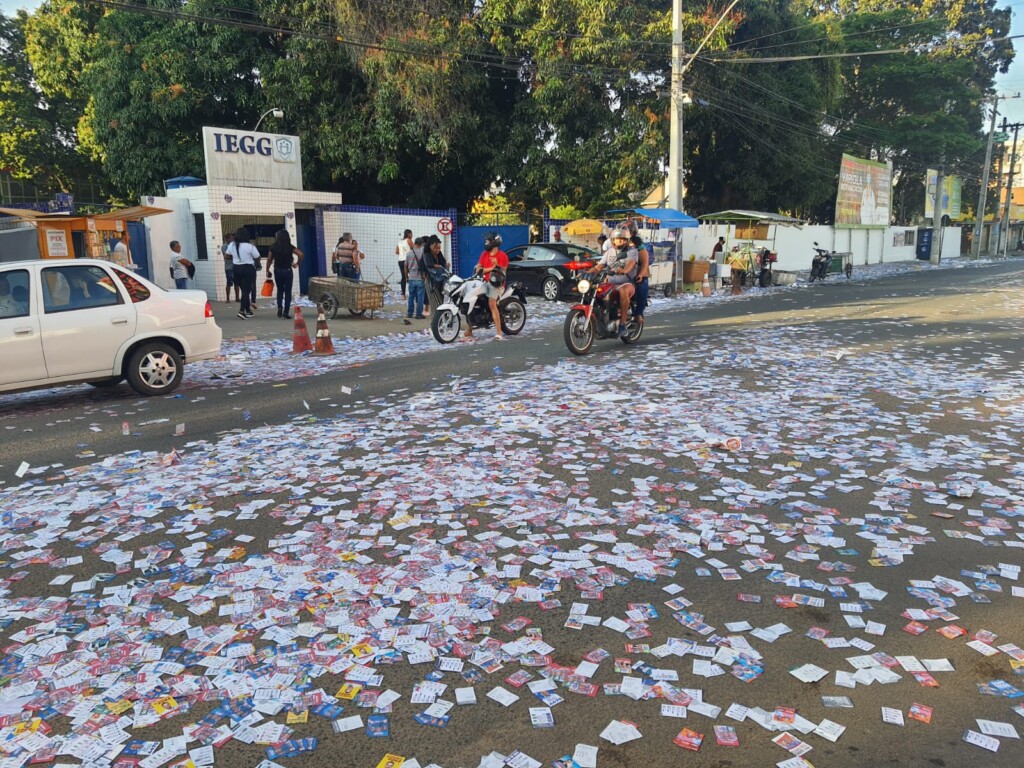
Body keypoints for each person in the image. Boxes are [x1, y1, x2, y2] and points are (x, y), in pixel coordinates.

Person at [594, 228, 637, 337]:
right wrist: (588, 272)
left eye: (621, 240)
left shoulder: (632, 251)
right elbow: (600, 265)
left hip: (627, 283)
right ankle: (601, 320)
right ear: (612, 240)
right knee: (595, 290)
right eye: (616, 239)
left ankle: (622, 324)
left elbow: (631, 264)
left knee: (623, 290)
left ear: (626, 240)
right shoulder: (609, 252)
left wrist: (624, 270)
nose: (618, 242)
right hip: (611, 284)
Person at [466, 232, 508, 340]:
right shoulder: (484, 254)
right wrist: (492, 268)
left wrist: (496, 266)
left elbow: (503, 271)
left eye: (488, 241)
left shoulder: (502, 256)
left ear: (495, 242)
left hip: (497, 283)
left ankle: (499, 332)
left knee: (492, 303)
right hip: (483, 282)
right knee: (471, 300)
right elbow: (478, 269)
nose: (486, 243)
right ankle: (469, 329)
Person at [267, 229, 303, 319]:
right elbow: (301, 254)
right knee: (287, 292)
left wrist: (267, 270)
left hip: (277, 270)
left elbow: (269, 259)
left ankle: (279, 308)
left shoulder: (273, 247)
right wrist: (297, 264)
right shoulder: (290, 247)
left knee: (280, 290)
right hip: (287, 271)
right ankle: (286, 312)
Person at [227, 227, 259, 319]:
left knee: (243, 290)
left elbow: (226, 256)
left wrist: (236, 259)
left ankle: (248, 311)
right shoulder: (250, 246)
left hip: (236, 269)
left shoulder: (232, 245)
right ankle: (241, 311)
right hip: (248, 269)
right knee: (247, 290)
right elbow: (257, 257)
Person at [630, 234, 650, 323]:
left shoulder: (641, 250)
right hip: (622, 277)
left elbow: (644, 264)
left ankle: (638, 313)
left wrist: (640, 275)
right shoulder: (616, 250)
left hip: (637, 275)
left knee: (642, 288)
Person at [405, 241, 426, 320]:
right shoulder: (422, 253)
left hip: (411, 277)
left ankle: (410, 313)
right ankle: (418, 314)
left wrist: (406, 276)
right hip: (420, 278)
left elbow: (405, 266)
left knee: (411, 296)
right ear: (420, 245)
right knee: (420, 297)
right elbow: (425, 266)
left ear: (415, 244)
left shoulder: (408, 253)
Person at [221, 233, 240, 303]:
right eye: (231, 238)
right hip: (229, 267)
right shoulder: (224, 246)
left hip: (236, 266)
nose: (232, 240)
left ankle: (237, 298)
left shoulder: (234, 245)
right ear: (227, 239)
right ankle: (228, 298)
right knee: (229, 283)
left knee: (237, 283)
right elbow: (227, 256)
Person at [396, 229, 413, 298]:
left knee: (403, 277)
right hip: (408, 261)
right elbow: (415, 249)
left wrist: (403, 252)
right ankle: (412, 294)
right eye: (411, 234)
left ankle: (403, 295)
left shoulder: (400, 242)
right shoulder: (409, 240)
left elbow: (396, 252)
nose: (412, 235)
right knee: (412, 276)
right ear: (409, 234)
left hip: (400, 261)